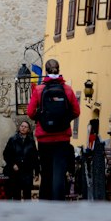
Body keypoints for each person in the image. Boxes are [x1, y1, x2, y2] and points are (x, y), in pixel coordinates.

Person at [27, 57, 80, 201]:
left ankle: (45, 202)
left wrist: (41, 117)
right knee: (59, 173)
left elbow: (30, 112)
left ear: (45, 71)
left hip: (44, 138)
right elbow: (76, 112)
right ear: (59, 70)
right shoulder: (67, 90)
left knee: (47, 172)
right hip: (62, 138)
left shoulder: (39, 90)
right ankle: (58, 203)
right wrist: (65, 118)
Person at [2, 118, 39, 201]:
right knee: (16, 195)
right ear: (19, 127)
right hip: (16, 172)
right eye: (22, 126)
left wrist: (37, 172)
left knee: (27, 196)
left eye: (25, 127)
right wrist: (12, 164)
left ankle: (27, 213)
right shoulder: (12, 139)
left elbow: (35, 157)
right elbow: (6, 154)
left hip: (27, 172)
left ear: (28, 130)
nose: (23, 128)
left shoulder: (31, 141)